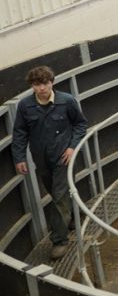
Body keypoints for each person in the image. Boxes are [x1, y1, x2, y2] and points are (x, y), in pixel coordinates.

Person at [12, 66, 88, 260]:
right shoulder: (25, 106)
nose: (42, 88)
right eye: (37, 84)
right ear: (32, 86)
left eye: (45, 83)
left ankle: (60, 241)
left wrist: (72, 147)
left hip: (63, 158)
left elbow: (80, 125)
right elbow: (20, 132)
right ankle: (72, 218)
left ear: (52, 82)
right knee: (56, 193)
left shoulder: (66, 101)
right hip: (42, 160)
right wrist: (19, 157)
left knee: (59, 196)